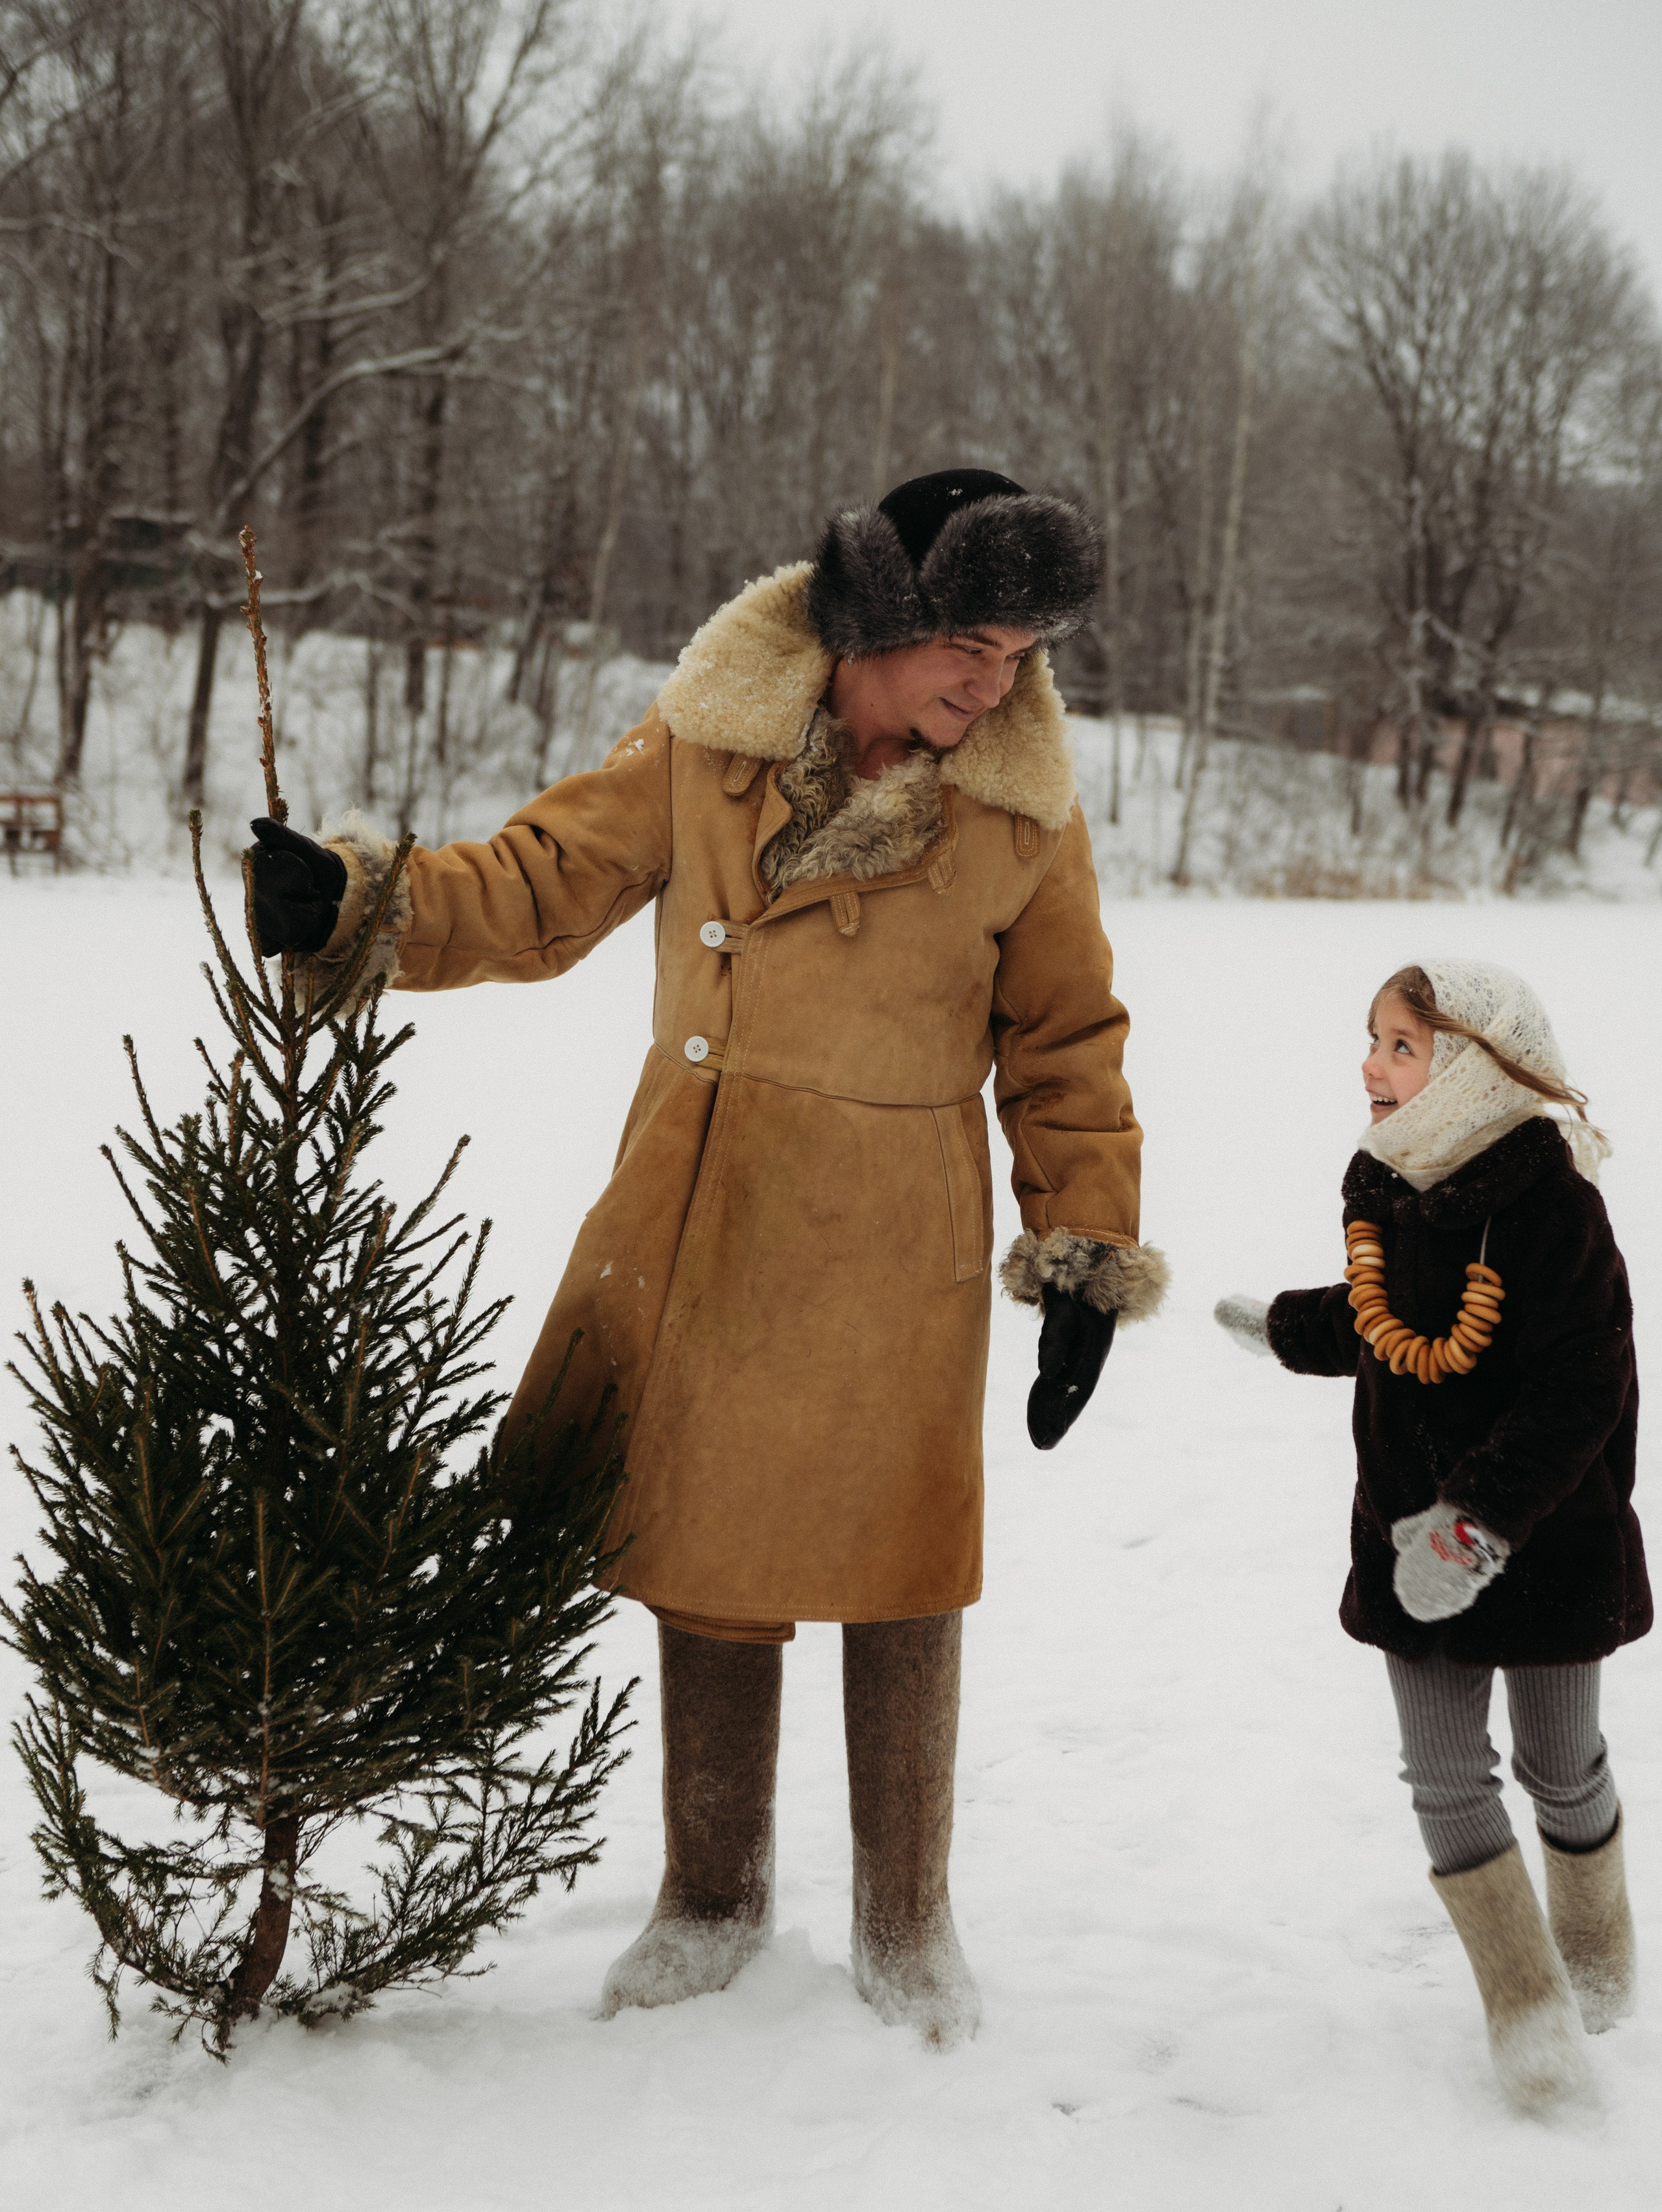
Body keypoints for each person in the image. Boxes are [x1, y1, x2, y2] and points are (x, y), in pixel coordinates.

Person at [247, 469, 1167, 2048]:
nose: (990, 680)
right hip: (712, 1200)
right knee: (709, 1552)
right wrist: (362, 905)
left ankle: (906, 1923)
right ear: (876, 618)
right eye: (965, 640)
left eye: (1017, 653)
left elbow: (1064, 1037)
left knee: (902, 1566)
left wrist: (1080, 1250)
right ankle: (710, 1898)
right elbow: (545, 880)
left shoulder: (1023, 809)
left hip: (898, 1232)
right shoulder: (708, 736)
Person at [1215, 961, 1646, 2113]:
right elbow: (1393, 1327)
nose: (1371, 1065)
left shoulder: (1551, 1209)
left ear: (1473, 1068)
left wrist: (1478, 1528)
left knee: (1564, 1770)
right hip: (1408, 1537)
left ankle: (1600, 1974)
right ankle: (1532, 2018)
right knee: (1447, 1776)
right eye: (1372, 1040)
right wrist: (1293, 1326)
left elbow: (1578, 1392)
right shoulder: (1390, 1184)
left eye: (1402, 1046)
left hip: (1540, 1540)